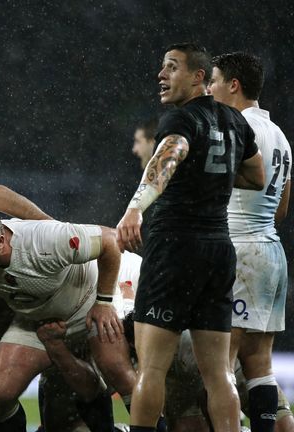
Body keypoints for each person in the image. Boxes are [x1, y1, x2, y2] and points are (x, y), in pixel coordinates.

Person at [115, 43, 265, 432]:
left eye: (172, 67)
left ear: (199, 77)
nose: (161, 75)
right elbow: (256, 177)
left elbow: (168, 158)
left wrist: (134, 208)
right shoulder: (236, 123)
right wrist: (210, 176)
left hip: (174, 249)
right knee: (219, 374)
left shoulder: (180, 120)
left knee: (152, 368)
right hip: (218, 249)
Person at [0, 207, 137, 431]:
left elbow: (110, 241)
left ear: (1, 240)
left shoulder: (44, 240)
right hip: (38, 322)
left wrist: (104, 302)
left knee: (117, 369)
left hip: (89, 307)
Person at [208, 51, 291, 432]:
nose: (209, 88)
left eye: (213, 80)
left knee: (220, 364)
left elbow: (214, 187)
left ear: (233, 85)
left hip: (239, 250)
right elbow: (281, 209)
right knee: (260, 364)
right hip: (272, 253)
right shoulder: (282, 138)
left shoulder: (235, 127)